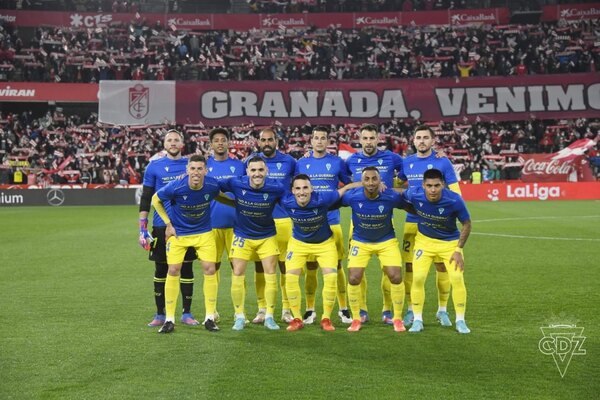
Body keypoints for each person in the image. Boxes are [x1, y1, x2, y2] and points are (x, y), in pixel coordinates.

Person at [150, 154, 227, 333]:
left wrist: (235, 204)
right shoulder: (176, 186)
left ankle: (209, 317)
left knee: (210, 269)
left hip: (204, 234)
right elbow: (156, 200)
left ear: (206, 171)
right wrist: (168, 224)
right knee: (173, 270)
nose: (196, 172)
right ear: (187, 170)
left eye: (200, 168)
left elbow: (218, 196)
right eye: (192, 168)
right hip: (179, 235)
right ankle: (169, 319)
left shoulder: (212, 184)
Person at [398, 125, 462, 328]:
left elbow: (454, 189)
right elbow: (399, 186)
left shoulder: (442, 162)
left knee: (441, 266)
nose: (422, 141)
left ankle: (442, 310)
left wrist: (456, 213)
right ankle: (411, 308)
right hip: (413, 223)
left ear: (433, 140)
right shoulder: (406, 163)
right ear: (413, 140)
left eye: (426, 137)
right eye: (418, 137)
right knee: (410, 268)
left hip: (438, 225)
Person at [281, 174, 362, 332]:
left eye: (305, 188)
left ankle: (326, 318)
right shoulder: (286, 201)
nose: (302, 192)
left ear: (312, 189)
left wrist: (362, 183)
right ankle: (297, 318)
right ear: (292, 191)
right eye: (298, 188)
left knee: (331, 277)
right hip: (299, 244)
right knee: (290, 277)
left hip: (325, 244)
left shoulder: (323, 198)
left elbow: (344, 189)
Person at [138, 129, 200, 327]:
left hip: (186, 226)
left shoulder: (190, 165)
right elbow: (147, 197)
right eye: (169, 140)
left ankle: (186, 313)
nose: (173, 143)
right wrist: (142, 227)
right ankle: (159, 314)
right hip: (159, 226)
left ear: (182, 144)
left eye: (176, 140)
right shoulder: (154, 166)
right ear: (164, 144)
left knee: (187, 268)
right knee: (161, 268)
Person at [218, 156, 287, 331]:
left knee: (271, 273)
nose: (257, 173)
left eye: (260, 170)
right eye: (253, 170)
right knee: (238, 272)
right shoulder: (236, 183)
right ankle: (240, 316)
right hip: (242, 235)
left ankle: (269, 316)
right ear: (247, 171)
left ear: (267, 171)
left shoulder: (276, 187)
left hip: (267, 236)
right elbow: (212, 186)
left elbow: (290, 203)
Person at [344, 123, 403, 324]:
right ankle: (361, 309)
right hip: (358, 223)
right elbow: (344, 182)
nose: (368, 142)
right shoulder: (352, 160)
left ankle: (388, 310)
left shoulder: (392, 158)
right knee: (357, 270)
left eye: (372, 138)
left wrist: (395, 185)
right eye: (365, 138)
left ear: (378, 139)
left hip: (385, 219)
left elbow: (408, 171)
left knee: (388, 269)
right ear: (359, 140)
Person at [341, 167, 412, 333]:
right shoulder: (353, 196)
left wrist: (426, 215)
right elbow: (332, 202)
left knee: (395, 276)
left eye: (375, 179)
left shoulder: (390, 196)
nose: (371, 182)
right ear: (362, 181)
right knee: (353, 278)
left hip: (386, 241)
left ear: (381, 181)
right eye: (367, 179)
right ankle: (357, 318)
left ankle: (397, 318)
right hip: (360, 241)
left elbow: (408, 207)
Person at [402, 169, 472, 333]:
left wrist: (458, 250)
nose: (433, 190)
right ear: (423, 185)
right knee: (418, 278)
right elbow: (400, 197)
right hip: (424, 243)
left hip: (449, 244)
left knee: (456, 278)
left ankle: (460, 320)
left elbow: (467, 224)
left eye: (437, 185)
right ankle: (417, 320)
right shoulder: (415, 193)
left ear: (443, 185)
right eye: (429, 186)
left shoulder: (454, 200)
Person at [295, 126, 353, 325]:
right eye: (316, 138)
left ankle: (343, 308)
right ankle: (310, 309)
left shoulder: (337, 162)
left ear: (328, 141)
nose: (319, 141)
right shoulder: (301, 163)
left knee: (336, 265)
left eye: (323, 138)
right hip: (309, 224)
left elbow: (347, 186)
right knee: (310, 266)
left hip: (332, 221)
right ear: (311, 141)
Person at [247, 128, 297, 324]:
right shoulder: (251, 161)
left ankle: (286, 308)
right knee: (260, 266)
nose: (266, 143)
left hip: (284, 220)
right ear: (258, 142)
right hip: (259, 219)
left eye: (270, 140)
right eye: (263, 140)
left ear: (277, 141)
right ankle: (262, 308)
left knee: (285, 266)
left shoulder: (289, 161)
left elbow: (300, 182)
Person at [206, 127, 246, 320]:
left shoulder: (239, 166)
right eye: (216, 140)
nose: (220, 143)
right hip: (210, 225)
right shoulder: (204, 166)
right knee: (211, 268)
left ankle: (240, 312)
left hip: (235, 225)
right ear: (211, 144)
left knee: (237, 269)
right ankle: (211, 311)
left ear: (228, 143)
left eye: (223, 140)